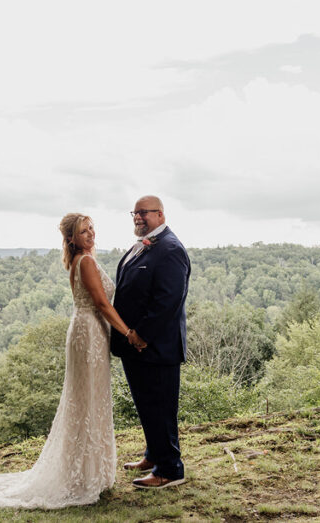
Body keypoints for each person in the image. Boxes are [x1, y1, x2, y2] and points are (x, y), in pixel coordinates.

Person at [0, 213, 141, 509]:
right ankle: (83, 475)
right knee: (86, 401)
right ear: (71, 237)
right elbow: (101, 303)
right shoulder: (85, 262)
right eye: (84, 231)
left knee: (89, 399)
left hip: (88, 330)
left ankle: (89, 471)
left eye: (92, 228)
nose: (91, 234)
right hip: (89, 332)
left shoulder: (81, 259)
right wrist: (129, 333)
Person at [111, 195, 191, 489]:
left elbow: (168, 300)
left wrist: (141, 335)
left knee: (160, 408)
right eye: (135, 212)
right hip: (135, 348)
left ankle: (169, 470)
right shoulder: (143, 245)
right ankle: (153, 455)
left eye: (144, 212)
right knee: (147, 406)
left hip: (156, 347)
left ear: (160, 214)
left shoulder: (170, 249)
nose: (138, 217)